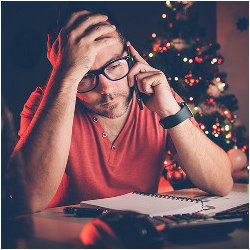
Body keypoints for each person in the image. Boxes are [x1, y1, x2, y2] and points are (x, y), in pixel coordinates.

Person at [8, 8, 233, 213]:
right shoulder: (44, 103)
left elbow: (222, 183)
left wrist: (171, 112)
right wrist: (66, 78)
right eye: (85, 75)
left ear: (130, 55)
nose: (106, 88)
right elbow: (25, 199)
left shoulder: (158, 97)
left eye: (115, 66)